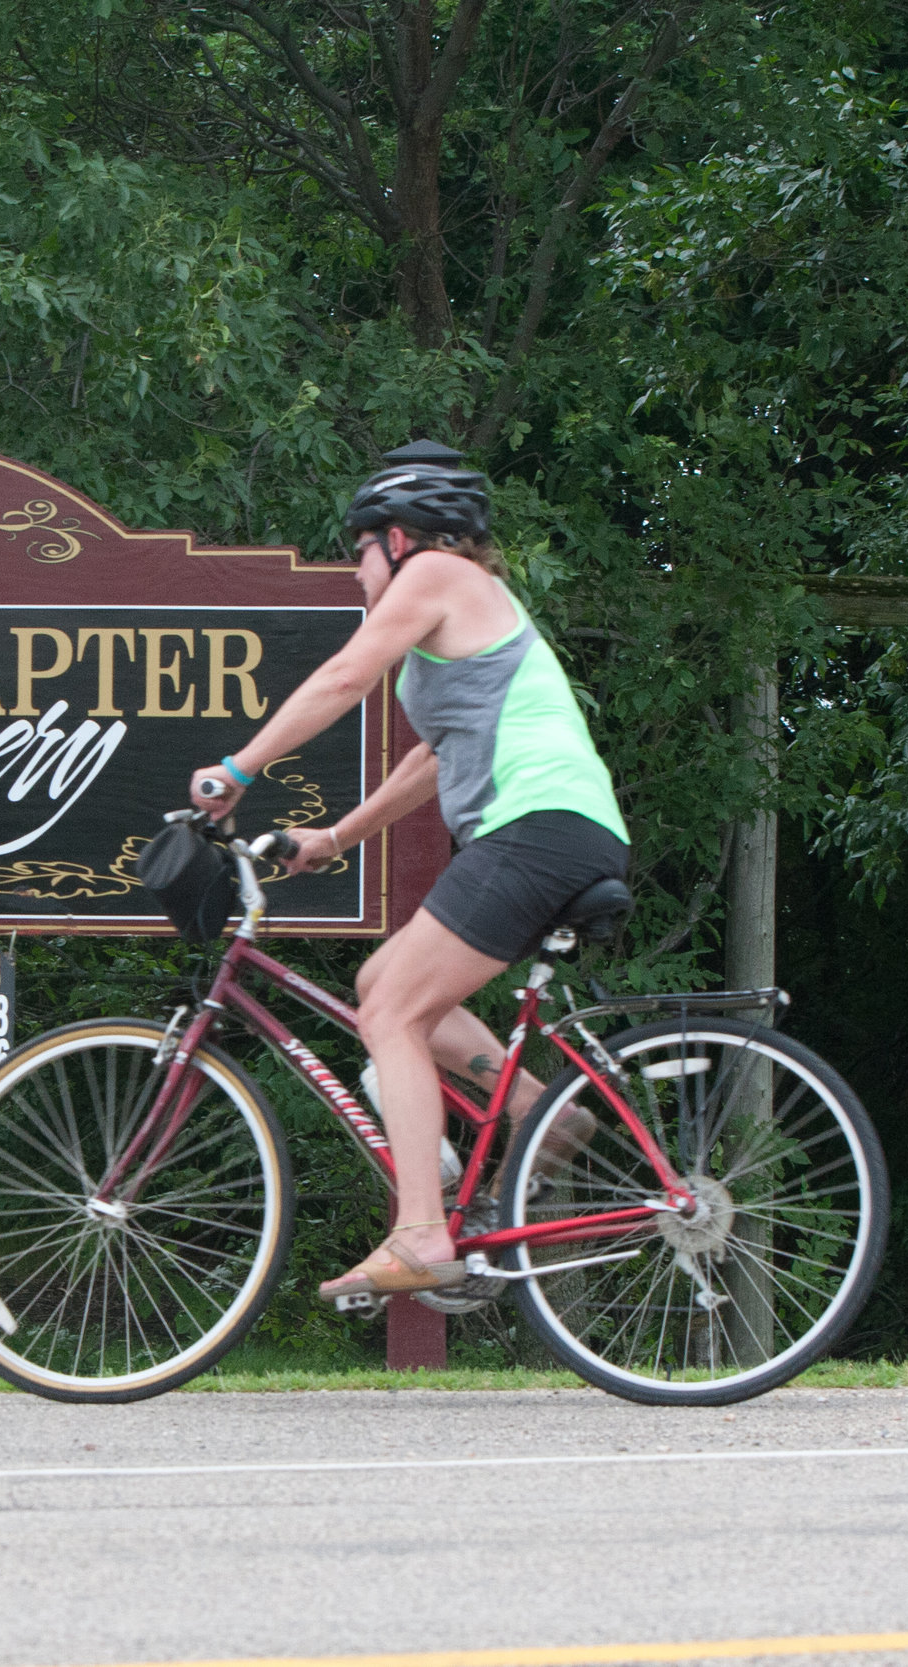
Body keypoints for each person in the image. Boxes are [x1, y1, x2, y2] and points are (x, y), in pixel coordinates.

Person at [188, 452, 630, 1299]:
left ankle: (424, 1234)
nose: (357, 572)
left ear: (397, 540)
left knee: (391, 1007)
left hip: (535, 829)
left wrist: (236, 770)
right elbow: (434, 757)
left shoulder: (435, 573)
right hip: (551, 829)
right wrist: (337, 835)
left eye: (359, 553)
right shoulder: (459, 614)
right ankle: (541, 1111)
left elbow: (346, 676)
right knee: (379, 983)